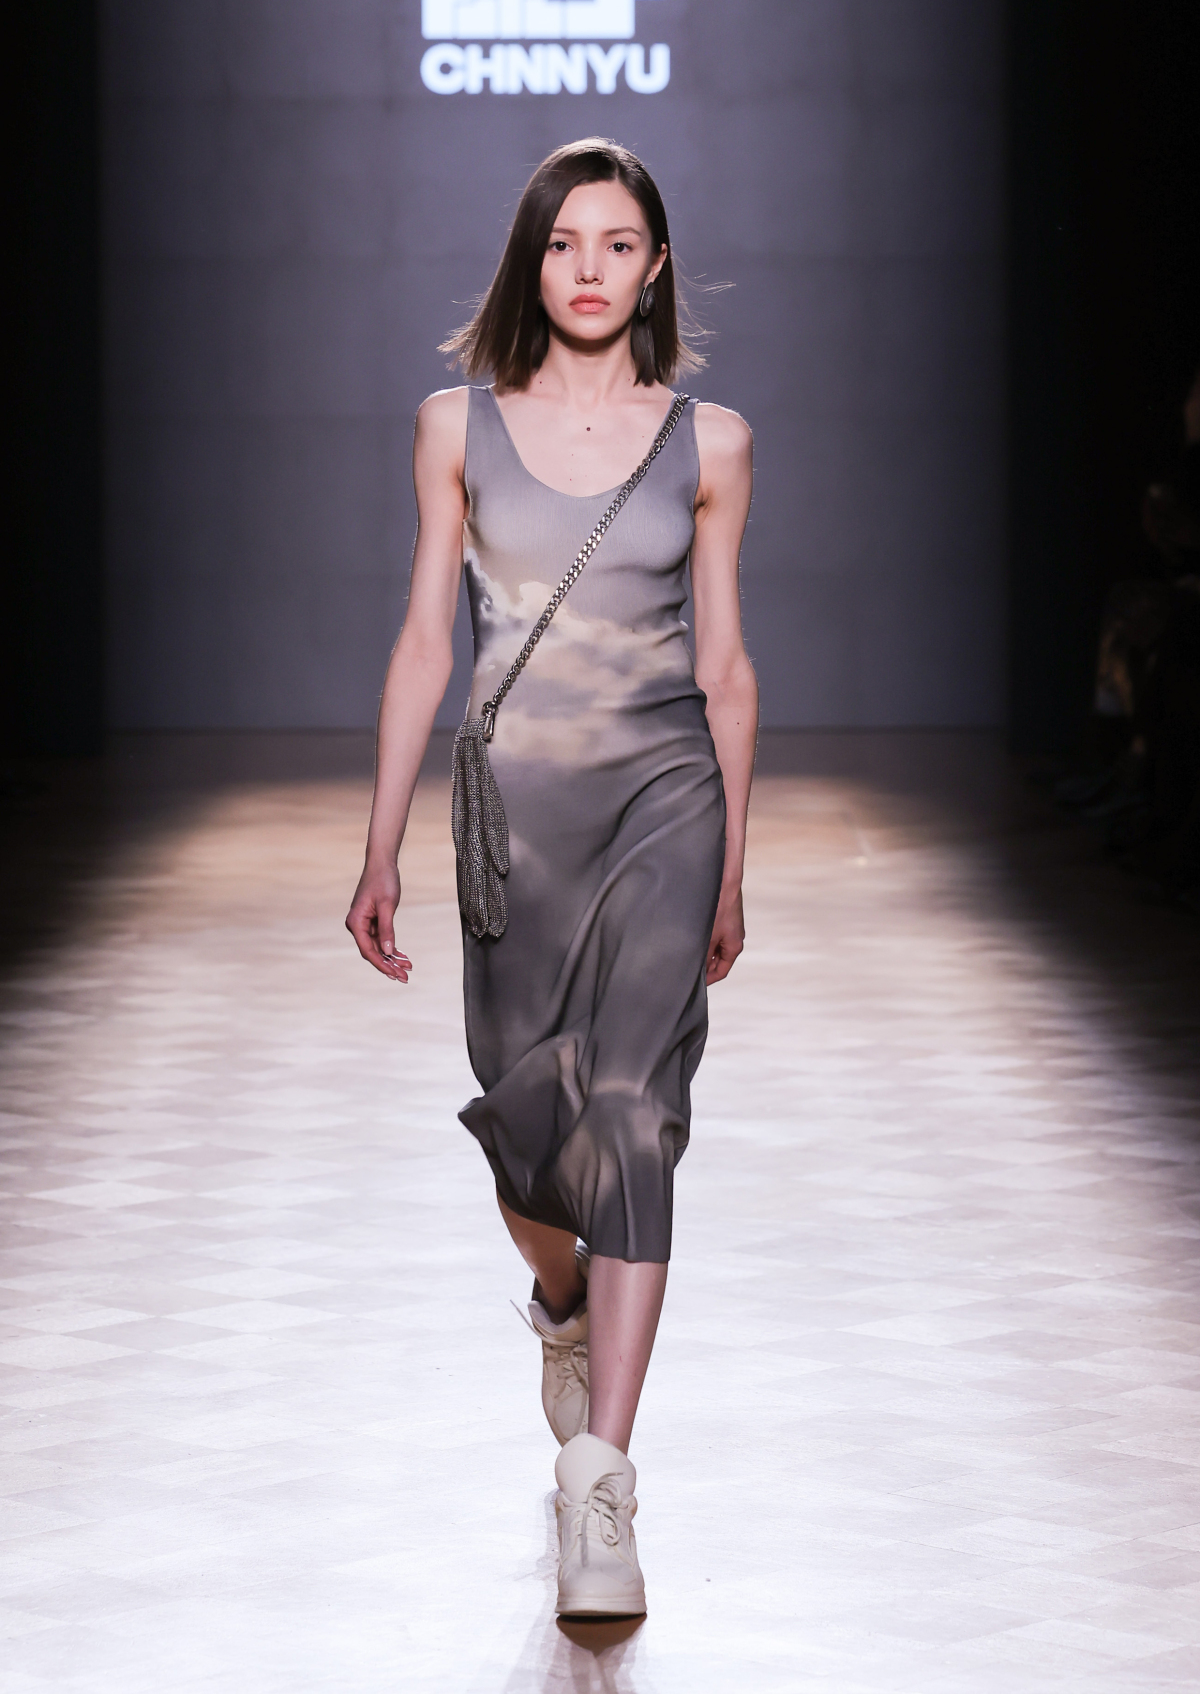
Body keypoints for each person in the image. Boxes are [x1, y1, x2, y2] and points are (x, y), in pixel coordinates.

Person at [346, 138, 756, 1618]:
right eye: (565, 241)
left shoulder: (712, 444)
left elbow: (724, 666)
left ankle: (604, 1483)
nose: (590, 268)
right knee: (526, 1136)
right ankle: (566, 1297)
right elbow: (423, 641)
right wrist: (380, 841)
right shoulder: (453, 425)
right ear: (533, 259)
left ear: (656, 268)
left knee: (634, 1115)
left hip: (663, 800)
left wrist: (730, 863)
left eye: (619, 243)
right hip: (511, 818)